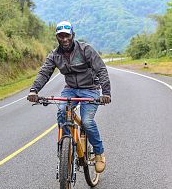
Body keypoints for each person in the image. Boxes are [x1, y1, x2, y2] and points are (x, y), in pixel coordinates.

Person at [27, 21, 111, 173]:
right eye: (61, 36)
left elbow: (101, 70)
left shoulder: (85, 50)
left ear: (73, 35)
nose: (64, 39)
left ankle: (99, 153)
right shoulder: (55, 55)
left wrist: (106, 93)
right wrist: (34, 91)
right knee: (62, 112)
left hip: (90, 89)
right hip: (71, 89)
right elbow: (44, 72)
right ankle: (66, 146)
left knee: (87, 121)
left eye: (67, 36)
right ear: (57, 37)